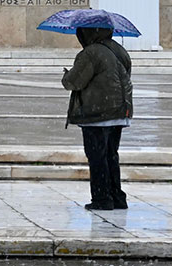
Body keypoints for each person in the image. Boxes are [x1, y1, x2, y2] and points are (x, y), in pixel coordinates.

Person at [62, 26, 133, 210]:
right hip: (119, 111)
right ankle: (117, 197)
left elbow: (74, 82)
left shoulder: (91, 52)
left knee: (97, 157)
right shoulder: (119, 49)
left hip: (97, 113)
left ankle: (102, 199)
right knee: (111, 155)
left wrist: (66, 75)